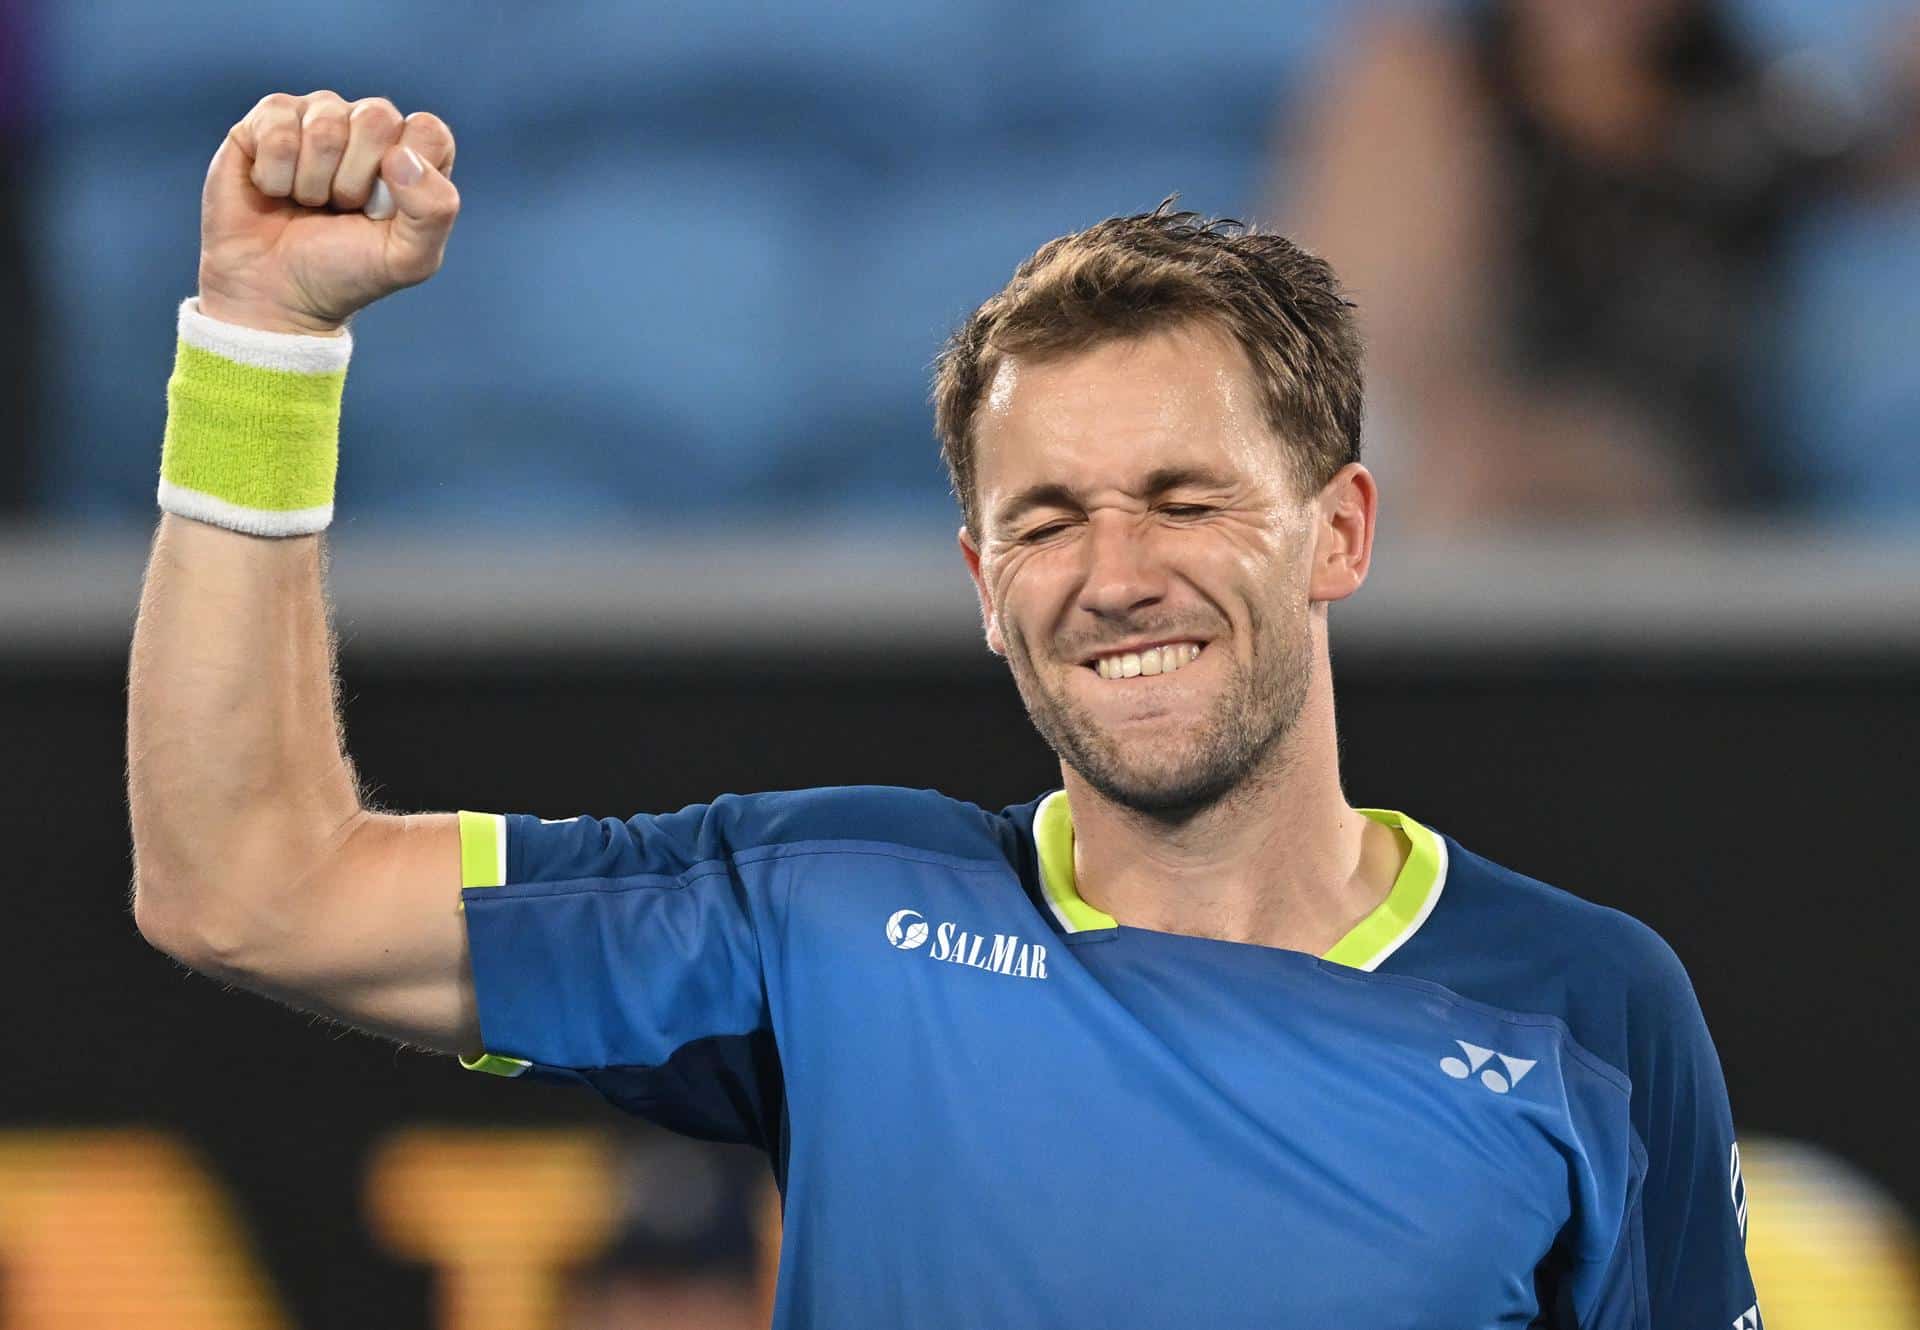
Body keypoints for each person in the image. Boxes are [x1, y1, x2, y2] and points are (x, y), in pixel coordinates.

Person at [129, 90, 1760, 1328]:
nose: (1114, 573)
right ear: (985, 584)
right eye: (1046, 522)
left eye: (1183, 498)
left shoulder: (1586, 1014)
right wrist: (263, 342)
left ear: (1337, 531)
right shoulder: (832, 915)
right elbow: (246, 885)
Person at [1284, 0, 1920, 530]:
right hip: (1477, 493)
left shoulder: (1753, 107)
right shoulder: (1434, 85)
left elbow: (1882, 163)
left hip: (1703, 517)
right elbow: (1353, 362)